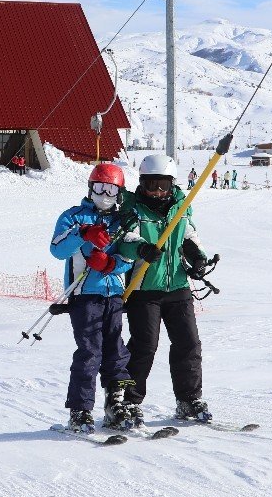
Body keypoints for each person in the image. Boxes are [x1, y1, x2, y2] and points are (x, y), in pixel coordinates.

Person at [116, 154, 213, 426]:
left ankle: (189, 399)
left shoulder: (181, 206)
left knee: (188, 344)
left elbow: (189, 235)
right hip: (144, 287)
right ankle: (129, 401)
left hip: (178, 286)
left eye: (163, 185)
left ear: (172, 184)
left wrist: (198, 257)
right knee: (144, 346)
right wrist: (141, 249)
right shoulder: (133, 209)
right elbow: (125, 240)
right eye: (151, 185)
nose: (157, 192)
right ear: (142, 183)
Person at [50, 163, 133, 433]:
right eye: (99, 187)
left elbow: (129, 257)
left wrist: (110, 265)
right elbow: (58, 249)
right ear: (90, 187)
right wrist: (83, 234)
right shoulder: (73, 217)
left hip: (114, 294)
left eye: (111, 189)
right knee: (89, 352)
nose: (105, 195)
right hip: (84, 293)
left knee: (116, 352)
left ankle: (116, 403)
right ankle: (81, 410)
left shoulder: (121, 221)